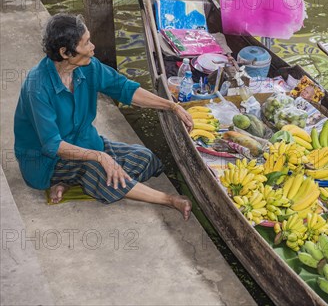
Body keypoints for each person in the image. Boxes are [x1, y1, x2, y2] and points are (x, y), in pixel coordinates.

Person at [13, 13, 195, 220]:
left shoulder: (89, 67)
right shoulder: (37, 86)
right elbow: (52, 145)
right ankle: (169, 200)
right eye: (86, 42)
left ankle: (69, 181)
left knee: (146, 160)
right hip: (46, 161)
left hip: (85, 141)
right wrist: (100, 157)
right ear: (65, 52)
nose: (93, 47)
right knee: (101, 172)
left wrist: (171, 106)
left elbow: (125, 89)